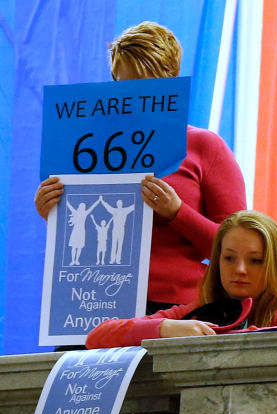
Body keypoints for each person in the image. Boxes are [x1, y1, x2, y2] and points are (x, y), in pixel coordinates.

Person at [35, 21, 246, 311]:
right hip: (96, 303)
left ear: (172, 83)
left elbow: (238, 251)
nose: (136, 100)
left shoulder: (205, 147)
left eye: (149, 87)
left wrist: (178, 213)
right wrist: (55, 214)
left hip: (181, 310)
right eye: (126, 87)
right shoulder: (88, 149)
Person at [86, 210, 277, 348]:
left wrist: (211, 337)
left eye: (255, 260)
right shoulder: (196, 312)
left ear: (275, 264)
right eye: (229, 258)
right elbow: (97, 337)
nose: (240, 269)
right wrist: (166, 328)